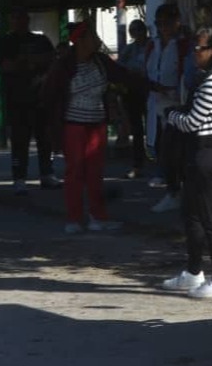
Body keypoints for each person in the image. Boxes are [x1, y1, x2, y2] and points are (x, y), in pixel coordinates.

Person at [43, 22, 150, 234]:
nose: (98, 40)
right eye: (92, 36)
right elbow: (49, 95)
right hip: (73, 125)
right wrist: (52, 127)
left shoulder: (100, 61)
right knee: (75, 171)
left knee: (95, 171)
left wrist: (153, 86)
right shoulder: (64, 65)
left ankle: (97, 217)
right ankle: (74, 218)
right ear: (80, 41)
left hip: (97, 124)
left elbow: (123, 75)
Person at [161, 28, 212, 298]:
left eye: (199, 49)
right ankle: (193, 271)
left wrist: (170, 115)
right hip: (209, 152)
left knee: (210, 219)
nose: (194, 54)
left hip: (208, 154)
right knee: (191, 213)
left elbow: (192, 122)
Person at [0, 5, 61, 195]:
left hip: (40, 98)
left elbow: (52, 59)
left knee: (45, 139)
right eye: (15, 18)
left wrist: (28, 60)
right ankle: (19, 178)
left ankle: (47, 174)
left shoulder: (40, 40)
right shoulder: (6, 42)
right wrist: (29, 61)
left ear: (27, 20)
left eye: (22, 18)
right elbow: (6, 65)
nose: (19, 22)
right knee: (19, 141)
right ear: (10, 21)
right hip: (17, 100)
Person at [145, 3, 190, 212]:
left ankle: (177, 191)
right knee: (162, 148)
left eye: (168, 23)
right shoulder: (152, 45)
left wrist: (176, 92)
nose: (164, 27)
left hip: (177, 104)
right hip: (156, 103)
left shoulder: (183, 45)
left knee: (175, 151)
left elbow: (186, 73)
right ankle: (172, 190)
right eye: (160, 23)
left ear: (177, 23)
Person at [117, 19, 150, 178]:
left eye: (138, 30)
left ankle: (159, 162)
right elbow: (120, 67)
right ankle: (138, 164)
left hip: (151, 89)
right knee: (137, 129)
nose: (136, 34)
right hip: (134, 91)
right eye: (133, 31)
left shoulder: (153, 46)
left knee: (155, 127)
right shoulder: (129, 50)